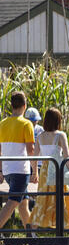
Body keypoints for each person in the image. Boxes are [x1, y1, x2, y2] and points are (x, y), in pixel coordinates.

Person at [31, 108, 69, 231]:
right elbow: (67, 155)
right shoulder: (61, 135)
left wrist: (35, 173)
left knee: (43, 199)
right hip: (57, 168)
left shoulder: (40, 136)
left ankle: (34, 228)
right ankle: (61, 228)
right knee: (60, 198)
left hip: (44, 169)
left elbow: (34, 157)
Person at [0, 91, 37, 236]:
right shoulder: (26, 124)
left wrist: (1, 171)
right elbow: (31, 150)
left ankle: (31, 234)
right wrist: (35, 171)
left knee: (23, 203)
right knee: (14, 201)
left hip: (8, 170)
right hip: (21, 170)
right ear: (24, 105)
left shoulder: (2, 123)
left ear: (11, 105)